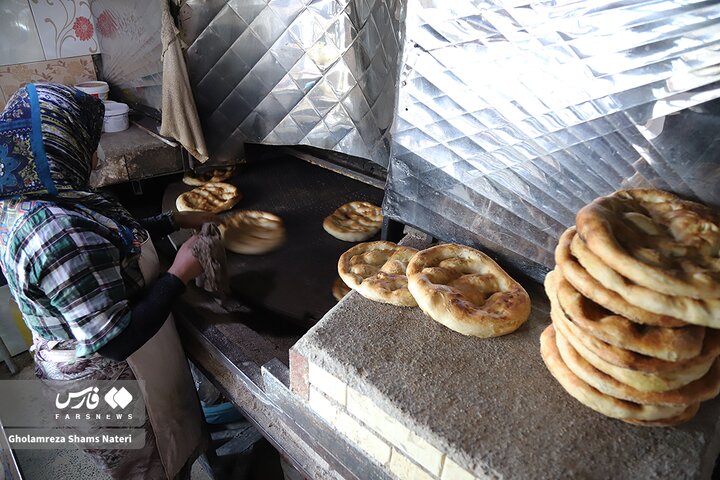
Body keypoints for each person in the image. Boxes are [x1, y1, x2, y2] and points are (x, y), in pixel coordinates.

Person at [0, 83, 215, 479]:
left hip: (82, 360)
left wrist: (172, 220)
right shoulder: (55, 232)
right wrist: (179, 274)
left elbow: (107, 236)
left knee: (169, 453)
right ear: (58, 145)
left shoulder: (31, 195)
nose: (95, 155)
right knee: (152, 467)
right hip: (107, 379)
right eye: (88, 142)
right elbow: (116, 341)